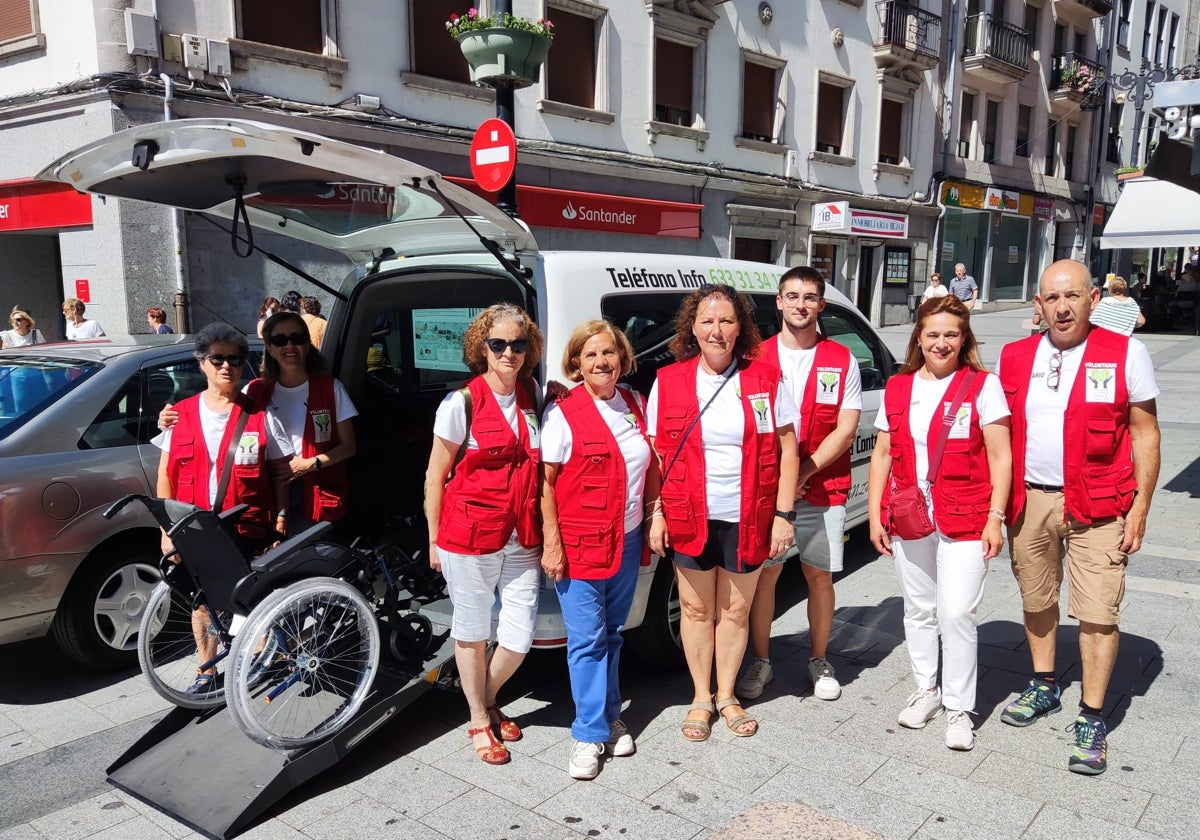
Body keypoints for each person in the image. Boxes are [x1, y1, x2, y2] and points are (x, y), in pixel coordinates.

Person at [996, 259, 1160, 776]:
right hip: (1031, 500)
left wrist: (1141, 509)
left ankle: (1091, 715)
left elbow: (1146, 434)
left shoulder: (1126, 352)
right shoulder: (1016, 356)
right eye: (1051, 298)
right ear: (1038, 305)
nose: (1061, 307)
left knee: (1098, 612)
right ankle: (1044, 684)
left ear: (1094, 300)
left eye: (1072, 296)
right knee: (1036, 599)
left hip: (1100, 503)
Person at [646, 284, 799, 742]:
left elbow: (788, 449)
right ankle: (700, 697)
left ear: (741, 327)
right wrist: (657, 513)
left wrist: (783, 514)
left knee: (735, 610)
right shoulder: (669, 381)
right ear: (692, 326)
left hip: (747, 513)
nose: (717, 330)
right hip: (687, 513)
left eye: (727, 320)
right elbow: (657, 455)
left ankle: (728, 694)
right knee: (695, 609)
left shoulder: (764, 380)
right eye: (708, 320)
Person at [867, 295, 1012, 752]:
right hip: (910, 512)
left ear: (964, 337)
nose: (942, 342)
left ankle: (958, 707)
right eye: (933, 334)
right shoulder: (898, 386)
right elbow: (884, 454)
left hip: (967, 513)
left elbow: (1000, 455)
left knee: (956, 613)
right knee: (920, 608)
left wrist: (996, 517)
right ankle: (927, 689)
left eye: (951, 333)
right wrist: (875, 513)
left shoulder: (984, 386)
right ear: (919, 338)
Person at [424, 304, 544, 766]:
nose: (509, 352)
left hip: (521, 536)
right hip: (469, 534)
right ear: (482, 348)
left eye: (517, 344)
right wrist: (434, 540)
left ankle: (486, 695)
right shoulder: (462, 403)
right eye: (498, 344)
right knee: (473, 633)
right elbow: (436, 476)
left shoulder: (533, 393)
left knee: (519, 634)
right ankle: (479, 717)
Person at [540, 320, 661, 780]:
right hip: (579, 543)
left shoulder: (634, 402)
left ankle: (610, 717)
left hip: (626, 538)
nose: (601, 362)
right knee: (587, 640)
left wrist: (653, 516)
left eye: (609, 353)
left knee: (612, 634)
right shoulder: (563, 412)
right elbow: (545, 485)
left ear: (622, 358)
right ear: (576, 364)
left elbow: (651, 463)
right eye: (590, 355)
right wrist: (552, 543)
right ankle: (588, 734)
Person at [739, 267, 862, 703]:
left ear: (821, 305)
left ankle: (818, 658)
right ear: (778, 302)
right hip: (768, 494)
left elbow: (846, 430)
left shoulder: (841, 358)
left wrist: (804, 472)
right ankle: (760, 659)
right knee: (766, 578)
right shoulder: (755, 357)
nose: (800, 305)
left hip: (824, 489)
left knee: (818, 577)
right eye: (792, 296)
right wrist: (781, 485)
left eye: (809, 297)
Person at [154, 323, 287, 693]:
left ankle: (267, 655)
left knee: (252, 596)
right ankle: (207, 670)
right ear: (202, 363)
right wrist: (166, 530)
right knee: (202, 602)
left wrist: (280, 518)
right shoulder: (178, 415)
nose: (226, 366)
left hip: (248, 524)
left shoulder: (260, 415)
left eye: (235, 359)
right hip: (194, 526)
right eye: (217, 358)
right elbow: (165, 476)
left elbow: (279, 473)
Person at [159, 312, 357, 533]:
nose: (289, 345)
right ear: (270, 348)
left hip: (314, 488)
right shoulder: (254, 390)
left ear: (307, 344)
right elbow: (223, 405)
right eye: (280, 340)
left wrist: (310, 463)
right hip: (267, 487)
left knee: (312, 558)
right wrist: (170, 417)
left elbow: (349, 445)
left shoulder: (330, 388)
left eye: (297, 338)